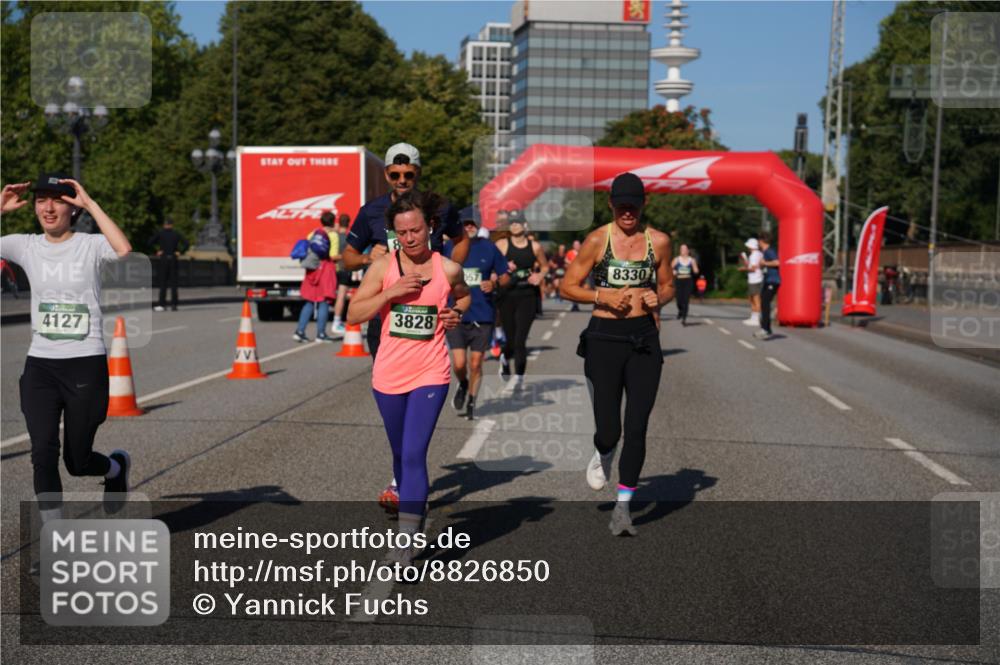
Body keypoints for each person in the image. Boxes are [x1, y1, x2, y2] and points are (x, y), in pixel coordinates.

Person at [0, 175, 133, 531]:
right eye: (41, 199)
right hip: (41, 366)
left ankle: (115, 468)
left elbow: (123, 249)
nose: (47, 207)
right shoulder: (25, 245)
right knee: (43, 453)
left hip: (85, 366)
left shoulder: (90, 245)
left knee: (77, 460)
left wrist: (90, 203)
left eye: (57, 200)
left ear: (71, 208)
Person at [341, 143, 468, 514]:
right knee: (400, 447)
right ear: (386, 176)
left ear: (417, 173)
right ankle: (402, 479)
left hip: (431, 353)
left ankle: (408, 523)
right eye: (394, 175)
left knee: (414, 450)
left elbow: (462, 246)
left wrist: (448, 289)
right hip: (388, 337)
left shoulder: (442, 210)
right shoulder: (371, 213)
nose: (400, 180)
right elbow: (348, 260)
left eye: (407, 174)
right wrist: (370, 260)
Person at [560, 172, 674, 537]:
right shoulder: (597, 240)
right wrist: (601, 296)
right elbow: (567, 286)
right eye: (622, 206)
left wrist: (661, 297)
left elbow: (668, 283)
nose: (628, 213)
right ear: (611, 205)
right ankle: (603, 451)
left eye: (634, 206)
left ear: (644, 204)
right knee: (610, 428)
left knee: (638, 425)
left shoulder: (658, 242)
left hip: (643, 339)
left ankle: (623, 508)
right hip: (604, 337)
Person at [447, 209, 510, 420]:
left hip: (483, 314)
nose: (469, 227)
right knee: (459, 363)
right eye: (465, 224)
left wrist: (493, 283)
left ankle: (472, 400)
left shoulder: (489, 248)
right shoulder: (449, 247)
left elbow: (505, 277)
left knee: (475, 363)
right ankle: (463, 384)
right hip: (454, 312)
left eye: (473, 224)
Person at [494, 211, 548, 385]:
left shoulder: (535, 246)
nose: (514, 225)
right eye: (512, 223)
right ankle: (504, 356)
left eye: (518, 222)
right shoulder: (502, 244)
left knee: (520, 339)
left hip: (527, 296)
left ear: (525, 225)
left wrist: (539, 277)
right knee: (510, 339)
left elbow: (545, 267)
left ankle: (519, 377)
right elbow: (492, 267)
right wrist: (504, 267)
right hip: (507, 296)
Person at [293, 212, 339, 343]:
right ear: (332, 221)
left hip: (312, 270)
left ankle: (300, 331)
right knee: (324, 302)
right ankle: (321, 334)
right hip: (325, 270)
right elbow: (333, 255)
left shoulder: (313, 233)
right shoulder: (333, 235)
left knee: (309, 301)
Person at [149, 218, 188, 312]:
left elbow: (149, 242)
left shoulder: (160, 233)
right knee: (174, 284)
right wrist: (180, 252)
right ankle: (174, 305)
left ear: (164, 225)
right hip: (173, 259)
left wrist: (157, 251)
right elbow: (186, 244)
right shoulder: (176, 234)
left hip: (164, 259)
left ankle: (162, 304)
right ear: (172, 225)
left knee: (163, 283)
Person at [331, 213, 354, 335]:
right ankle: (337, 322)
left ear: (339, 223)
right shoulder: (349, 237)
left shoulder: (334, 236)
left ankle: (328, 322)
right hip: (344, 269)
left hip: (332, 269)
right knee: (341, 296)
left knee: (330, 296)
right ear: (349, 223)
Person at [755, 231, 780, 340]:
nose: (758, 243)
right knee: (763, 303)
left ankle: (765, 329)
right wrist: (761, 265)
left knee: (765, 303)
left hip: (773, 281)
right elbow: (766, 266)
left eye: (758, 241)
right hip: (767, 280)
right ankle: (766, 328)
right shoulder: (765, 252)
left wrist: (764, 263)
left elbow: (777, 262)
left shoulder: (770, 251)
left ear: (762, 241)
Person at [671, 243, 699, 325]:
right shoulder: (676, 259)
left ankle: (684, 318)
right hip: (679, 281)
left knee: (686, 300)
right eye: (681, 249)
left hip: (688, 281)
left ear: (688, 250)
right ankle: (680, 310)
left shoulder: (692, 260)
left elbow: (696, 270)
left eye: (684, 249)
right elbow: (669, 269)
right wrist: (673, 271)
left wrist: (696, 270)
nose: (683, 251)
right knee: (679, 300)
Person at [738, 238, 763, 326]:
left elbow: (753, 268)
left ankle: (756, 318)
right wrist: (746, 262)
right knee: (752, 298)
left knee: (755, 299)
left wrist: (743, 269)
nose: (748, 248)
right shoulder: (758, 254)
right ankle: (754, 316)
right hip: (754, 278)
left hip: (755, 279)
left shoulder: (754, 255)